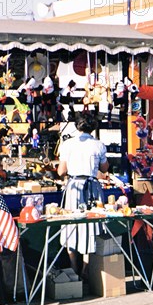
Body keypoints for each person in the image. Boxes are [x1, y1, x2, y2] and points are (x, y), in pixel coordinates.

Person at [57, 112, 109, 278]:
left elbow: (61, 171)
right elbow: (104, 168)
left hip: (74, 188)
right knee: (91, 226)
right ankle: (86, 268)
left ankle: (73, 268)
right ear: (93, 127)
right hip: (92, 187)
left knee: (71, 225)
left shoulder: (67, 144)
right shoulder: (99, 145)